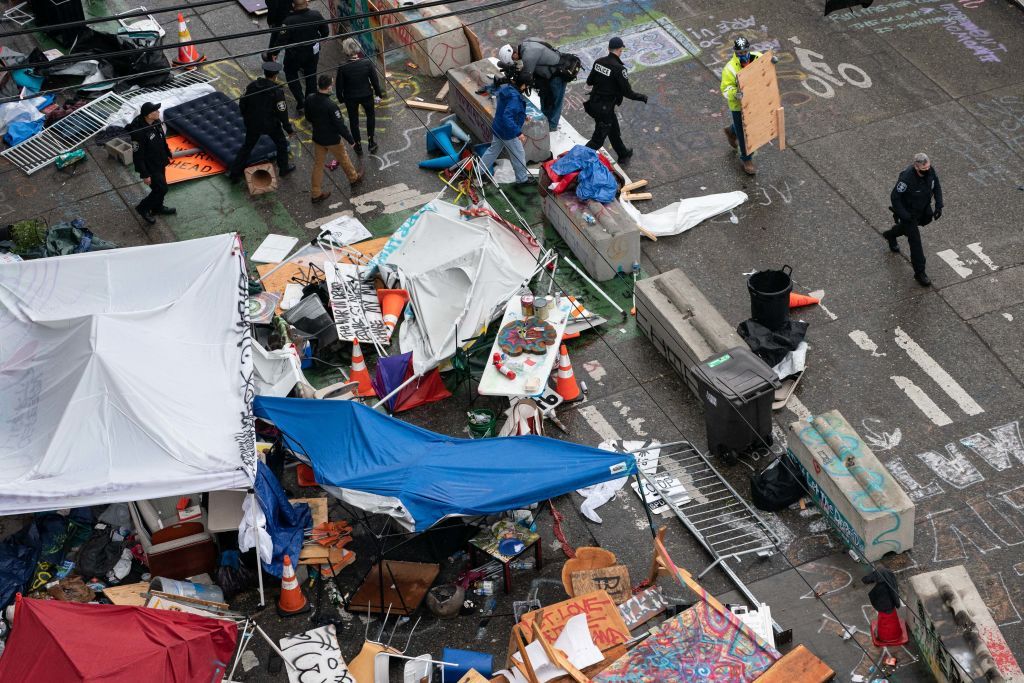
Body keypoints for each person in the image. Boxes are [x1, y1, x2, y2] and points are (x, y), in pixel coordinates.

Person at [583, 36, 647, 164]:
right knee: (598, 139)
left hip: (595, 103)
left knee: (613, 130)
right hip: (604, 108)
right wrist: (642, 97)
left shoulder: (599, 62)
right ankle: (578, 159)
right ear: (620, 49)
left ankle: (623, 154)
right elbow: (627, 92)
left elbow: (590, 81)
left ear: (608, 48)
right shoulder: (619, 69)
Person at [229, 61, 296, 181]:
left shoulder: (252, 85)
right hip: (270, 125)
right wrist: (288, 129)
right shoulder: (277, 91)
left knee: (247, 146)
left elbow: (242, 102)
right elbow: (282, 113)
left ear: (264, 73)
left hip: (253, 123)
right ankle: (283, 168)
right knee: (281, 144)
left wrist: (247, 117)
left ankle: (234, 173)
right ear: (275, 75)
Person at [884, 152, 943, 286]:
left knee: (917, 224)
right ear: (916, 167)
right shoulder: (906, 179)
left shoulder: (930, 171)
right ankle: (920, 272)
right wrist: (904, 215)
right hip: (909, 213)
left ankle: (890, 234)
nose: (927, 170)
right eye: (924, 169)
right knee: (915, 240)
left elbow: (937, 186)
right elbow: (895, 197)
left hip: (923, 209)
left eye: (928, 167)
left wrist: (939, 205)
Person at [306, 74, 363, 203]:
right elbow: (340, 126)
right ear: (329, 87)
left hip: (318, 138)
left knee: (318, 165)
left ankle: (315, 193)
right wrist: (351, 140)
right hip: (332, 139)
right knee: (343, 158)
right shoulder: (331, 105)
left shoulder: (310, 98)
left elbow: (308, 117)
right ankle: (353, 178)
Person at [720, 37, 772, 175]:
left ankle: (731, 130)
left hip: (755, 99)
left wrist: (772, 63)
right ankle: (746, 159)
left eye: (745, 51)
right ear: (735, 52)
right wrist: (735, 93)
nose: (743, 55)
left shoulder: (757, 57)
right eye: (740, 53)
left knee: (751, 124)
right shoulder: (730, 68)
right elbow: (725, 89)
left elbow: (766, 68)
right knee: (744, 133)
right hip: (738, 105)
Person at [479, 71, 532, 188]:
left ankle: (479, 171)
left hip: (498, 127)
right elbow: (508, 116)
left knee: (493, 151)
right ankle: (522, 180)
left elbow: (506, 110)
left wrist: (523, 115)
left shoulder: (507, 89)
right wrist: (518, 133)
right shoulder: (515, 98)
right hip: (508, 133)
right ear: (523, 85)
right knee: (519, 155)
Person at [499, 38, 564, 131]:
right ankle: (545, 120)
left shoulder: (529, 55)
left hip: (558, 74)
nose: (515, 61)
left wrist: (517, 87)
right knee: (545, 97)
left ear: (514, 53)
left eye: (514, 59)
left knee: (556, 100)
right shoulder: (525, 44)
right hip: (547, 74)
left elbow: (526, 76)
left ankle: (552, 126)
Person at [336, 37, 384, 155]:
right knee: (370, 117)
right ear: (358, 48)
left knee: (354, 121)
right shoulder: (367, 63)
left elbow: (339, 86)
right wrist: (378, 94)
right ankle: (371, 142)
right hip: (366, 94)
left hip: (350, 97)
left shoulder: (342, 67)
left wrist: (341, 98)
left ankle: (357, 145)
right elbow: (374, 81)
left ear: (346, 50)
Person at [128, 101, 174, 225]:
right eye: (155, 111)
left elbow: (161, 139)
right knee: (161, 189)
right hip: (150, 166)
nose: (159, 112)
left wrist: (167, 151)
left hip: (160, 160)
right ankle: (143, 208)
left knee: (160, 187)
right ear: (148, 115)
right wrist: (145, 174)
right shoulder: (139, 133)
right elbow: (138, 156)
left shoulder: (156, 122)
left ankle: (157, 207)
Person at [281, 0, 328, 111]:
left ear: (293, 5)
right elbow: (325, 31)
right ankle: (310, 100)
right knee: (311, 76)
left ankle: (300, 99)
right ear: (307, 3)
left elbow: (281, 40)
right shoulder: (316, 15)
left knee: (291, 74)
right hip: (312, 53)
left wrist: (274, 53)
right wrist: (319, 41)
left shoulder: (288, 21)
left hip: (294, 55)